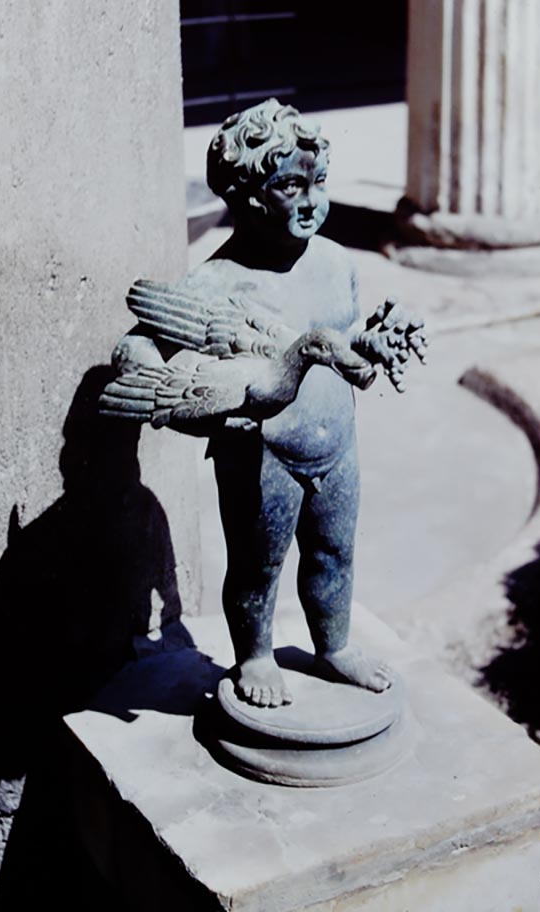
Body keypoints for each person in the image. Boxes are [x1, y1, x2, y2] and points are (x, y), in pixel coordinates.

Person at [113, 98, 426, 707]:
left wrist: (378, 340)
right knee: (259, 567)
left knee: (334, 554)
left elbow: (347, 343)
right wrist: (190, 401)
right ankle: (254, 656)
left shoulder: (335, 263)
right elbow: (135, 348)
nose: (311, 200)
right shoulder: (216, 282)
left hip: (336, 443)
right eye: (290, 185)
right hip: (262, 453)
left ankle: (331, 646)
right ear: (246, 196)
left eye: (319, 182)